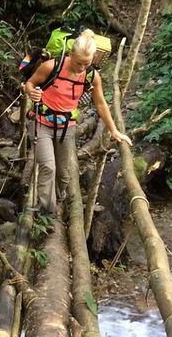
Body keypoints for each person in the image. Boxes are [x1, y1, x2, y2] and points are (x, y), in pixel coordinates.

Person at [24, 28, 132, 215]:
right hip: (41, 123)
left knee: (64, 173)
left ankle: (59, 196)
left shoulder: (92, 76)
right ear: (70, 53)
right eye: (79, 62)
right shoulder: (51, 66)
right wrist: (31, 91)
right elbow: (30, 83)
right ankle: (47, 212)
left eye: (87, 63)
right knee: (48, 167)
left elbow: (100, 104)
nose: (82, 67)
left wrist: (114, 130)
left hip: (67, 127)